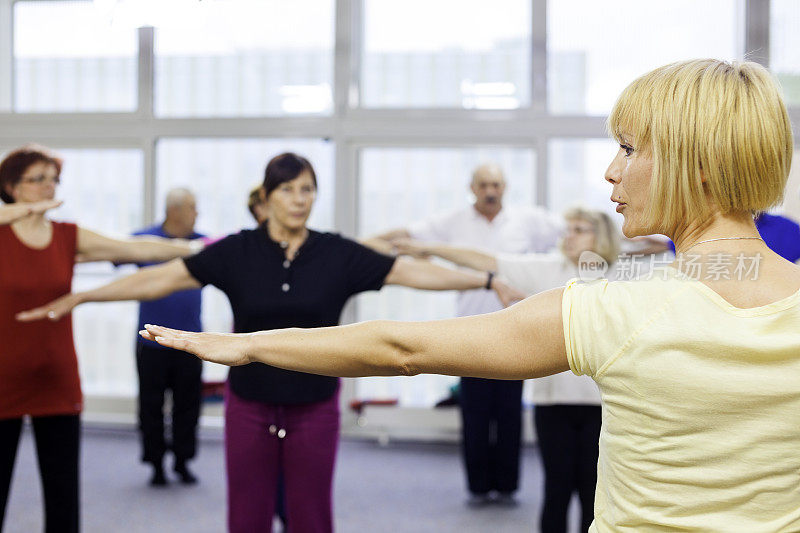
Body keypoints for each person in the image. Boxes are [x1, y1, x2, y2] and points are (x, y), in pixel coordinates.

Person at [130, 59, 798, 530]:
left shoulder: (618, 307)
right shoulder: (632, 297)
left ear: (698, 163)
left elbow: (402, 346)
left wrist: (249, 344)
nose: (610, 170)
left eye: (629, 148)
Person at [20, 152, 523, 533]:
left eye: (307, 189)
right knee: (248, 516)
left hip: (314, 407)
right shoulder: (238, 250)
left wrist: (482, 281)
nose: (299, 198)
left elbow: (411, 273)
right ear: (267, 197)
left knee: (310, 517)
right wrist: (83, 298)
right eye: (288, 189)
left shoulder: (336, 254)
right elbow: (161, 278)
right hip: (250, 406)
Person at [0, 144, 201, 533]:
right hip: (3, 379)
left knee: (63, 498)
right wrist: (16, 215)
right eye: (37, 179)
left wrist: (195, 248)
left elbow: (135, 247)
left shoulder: (67, 235)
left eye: (53, 179)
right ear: (11, 186)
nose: (48, 187)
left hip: (56, 378)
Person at [396, 207, 623, 531]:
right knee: (556, 488)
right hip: (552, 403)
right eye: (567, 228)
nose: (568, 235)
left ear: (600, 236)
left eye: (579, 229)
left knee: (594, 489)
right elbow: (486, 260)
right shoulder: (547, 269)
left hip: (602, 404)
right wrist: (430, 248)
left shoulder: (621, 275)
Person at [369, 163, 562, 506]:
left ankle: (506, 486)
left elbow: (577, 232)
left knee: (508, 413)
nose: (491, 191)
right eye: (484, 184)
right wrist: (365, 243)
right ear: (472, 188)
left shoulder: (527, 222)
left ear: (506, 187)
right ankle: (477, 486)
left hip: (516, 332)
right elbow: (411, 235)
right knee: (474, 414)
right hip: (468, 333)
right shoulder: (453, 222)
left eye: (497, 185)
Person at [129, 188, 206, 486]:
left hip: (191, 343)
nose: (197, 213)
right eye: (192, 207)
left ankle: (183, 462)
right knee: (151, 405)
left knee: (188, 405)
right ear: (175, 211)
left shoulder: (202, 244)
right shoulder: (143, 241)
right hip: (151, 343)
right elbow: (111, 255)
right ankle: (156, 464)